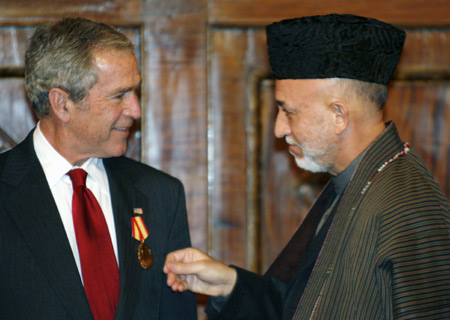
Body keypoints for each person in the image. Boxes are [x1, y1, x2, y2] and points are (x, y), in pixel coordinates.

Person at [163, 14, 450, 319]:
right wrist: (231, 285)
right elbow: (311, 306)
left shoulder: (409, 209)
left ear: (339, 115)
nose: (278, 128)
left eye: (289, 111)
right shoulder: (356, 183)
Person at [0, 17, 197, 319]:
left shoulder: (160, 195)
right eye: (119, 95)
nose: (135, 110)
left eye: (135, 92)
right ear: (62, 104)